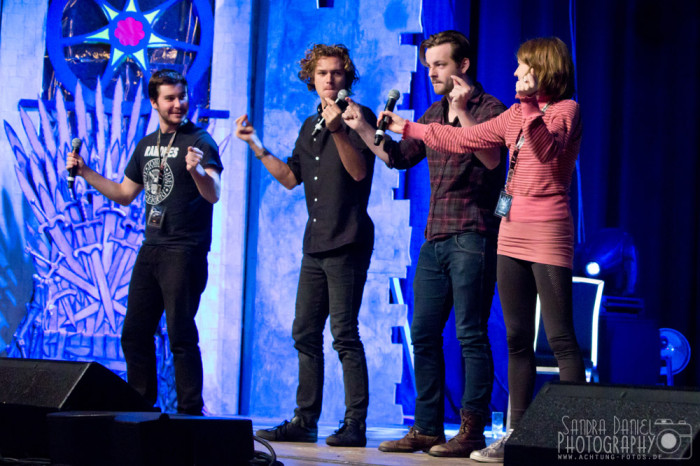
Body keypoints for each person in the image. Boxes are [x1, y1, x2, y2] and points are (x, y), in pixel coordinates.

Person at [379, 36, 585, 462]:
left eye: (521, 68)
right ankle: (516, 434)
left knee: (560, 337)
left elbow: (546, 154)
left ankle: (573, 434)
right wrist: (410, 129)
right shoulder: (512, 115)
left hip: (547, 231)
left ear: (541, 69)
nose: (513, 74)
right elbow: (466, 140)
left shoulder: (566, 111)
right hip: (509, 230)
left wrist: (528, 107)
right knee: (515, 338)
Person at [342, 30, 506, 458]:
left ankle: (472, 429)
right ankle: (427, 427)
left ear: (463, 65)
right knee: (424, 334)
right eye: (428, 64)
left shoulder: (491, 108)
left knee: (470, 334)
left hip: (473, 234)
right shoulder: (432, 113)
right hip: (434, 238)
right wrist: (362, 128)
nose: (431, 71)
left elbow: (491, 158)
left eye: (440, 64)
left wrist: (461, 112)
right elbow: (397, 157)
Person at [234, 44, 376, 448]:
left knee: (344, 334)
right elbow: (291, 178)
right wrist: (257, 146)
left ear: (347, 77)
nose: (329, 80)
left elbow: (359, 170)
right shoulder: (308, 125)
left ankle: (354, 424)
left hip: (348, 240)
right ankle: (305, 419)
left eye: (336, 73)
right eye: (322, 74)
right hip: (315, 243)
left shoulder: (356, 116)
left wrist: (337, 128)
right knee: (304, 332)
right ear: (311, 80)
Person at [66, 70, 223, 415]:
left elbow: (213, 194)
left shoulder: (200, 141)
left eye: (181, 96)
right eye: (169, 98)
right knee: (134, 332)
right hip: (151, 247)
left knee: (180, 332)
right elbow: (124, 194)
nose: (178, 103)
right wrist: (86, 172)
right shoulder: (146, 144)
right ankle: (140, 407)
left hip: (184, 249)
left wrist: (195, 172)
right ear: (154, 102)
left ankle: (190, 413)